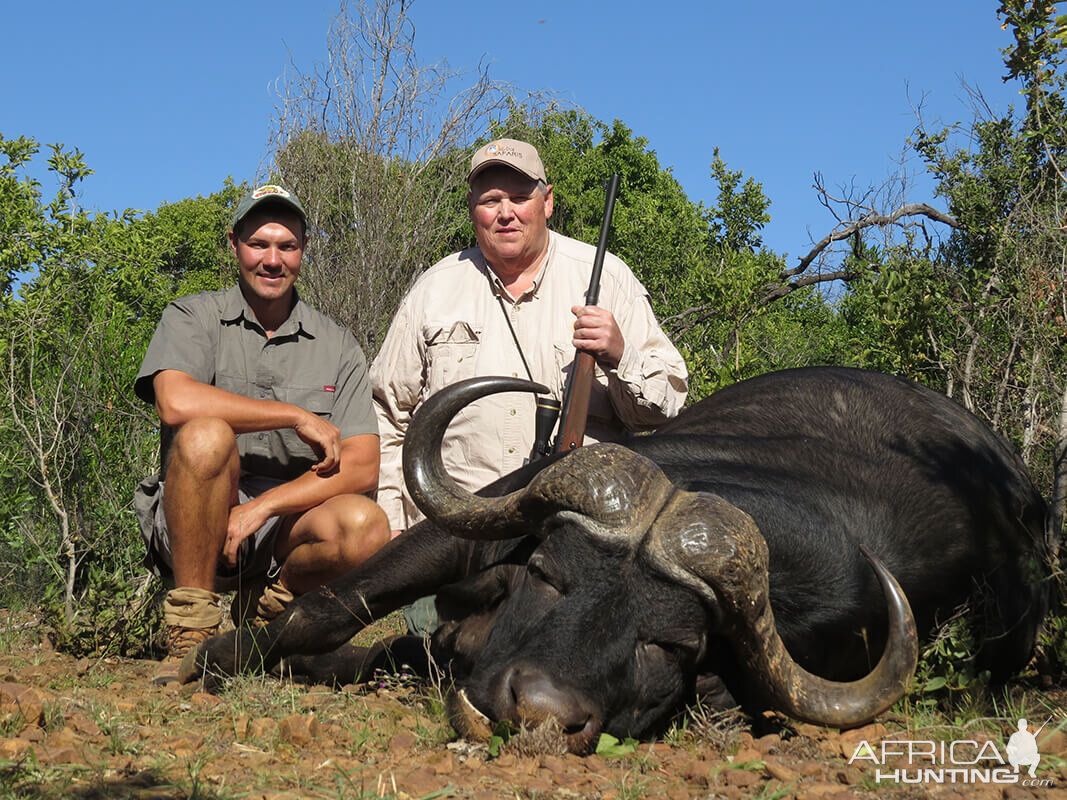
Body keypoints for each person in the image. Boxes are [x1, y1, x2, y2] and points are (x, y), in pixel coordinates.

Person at [371, 139, 688, 629]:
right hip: (459, 538)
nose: (505, 213)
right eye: (489, 200)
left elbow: (666, 410)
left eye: (519, 197)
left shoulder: (609, 278)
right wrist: (395, 524)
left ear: (547, 201)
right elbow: (388, 417)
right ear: (472, 209)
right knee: (439, 652)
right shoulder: (434, 289)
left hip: (579, 538)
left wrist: (620, 354)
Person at [133, 184, 389, 674]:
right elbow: (174, 401)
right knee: (205, 436)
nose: (272, 260)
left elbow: (361, 464)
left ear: (303, 251)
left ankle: (270, 615)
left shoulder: (337, 344)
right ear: (234, 246)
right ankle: (191, 631)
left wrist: (262, 508)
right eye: (259, 244)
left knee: (366, 527)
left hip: (282, 529)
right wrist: (295, 415)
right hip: (194, 519)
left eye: (287, 246)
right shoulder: (193, 315)